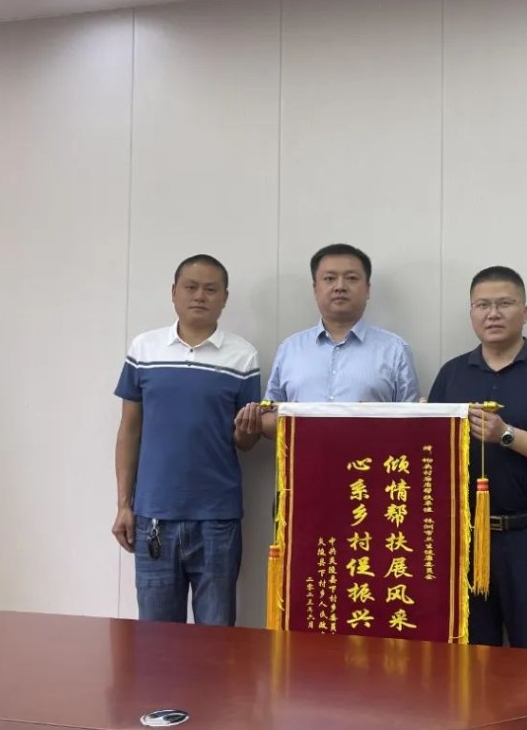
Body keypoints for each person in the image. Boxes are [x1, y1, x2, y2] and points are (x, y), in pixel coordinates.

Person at [428, 266, 527, 649]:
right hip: (464, 537)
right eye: (482, 305)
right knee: (470, 655)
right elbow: (431, 454)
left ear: (524, 312)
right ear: (471, 313)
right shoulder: (452, 373)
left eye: (504, 304)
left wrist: (506, 435)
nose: (493, 314)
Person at [112, 254, 261, 626]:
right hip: (154, 515)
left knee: (216, 637)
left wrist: (247, 432)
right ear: (173, 292)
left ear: (224, 298)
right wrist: (124, 505)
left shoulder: (243, 356)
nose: (200, 296)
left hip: (217, 518)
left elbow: (245, 442)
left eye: (210, 289)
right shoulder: (144, 349)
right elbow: (129, 430)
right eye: (190, 287)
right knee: (156, 640)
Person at [236, 244, 419, 439]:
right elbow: (270, 412)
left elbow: (413, 426)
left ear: (367, 289)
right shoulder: (290, 349)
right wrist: (255, 422)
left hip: (370, 458)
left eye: (351, 278)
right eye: (330, 278)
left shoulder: (395, 350)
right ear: (315, 289)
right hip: (304, 458)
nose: (340, 287)